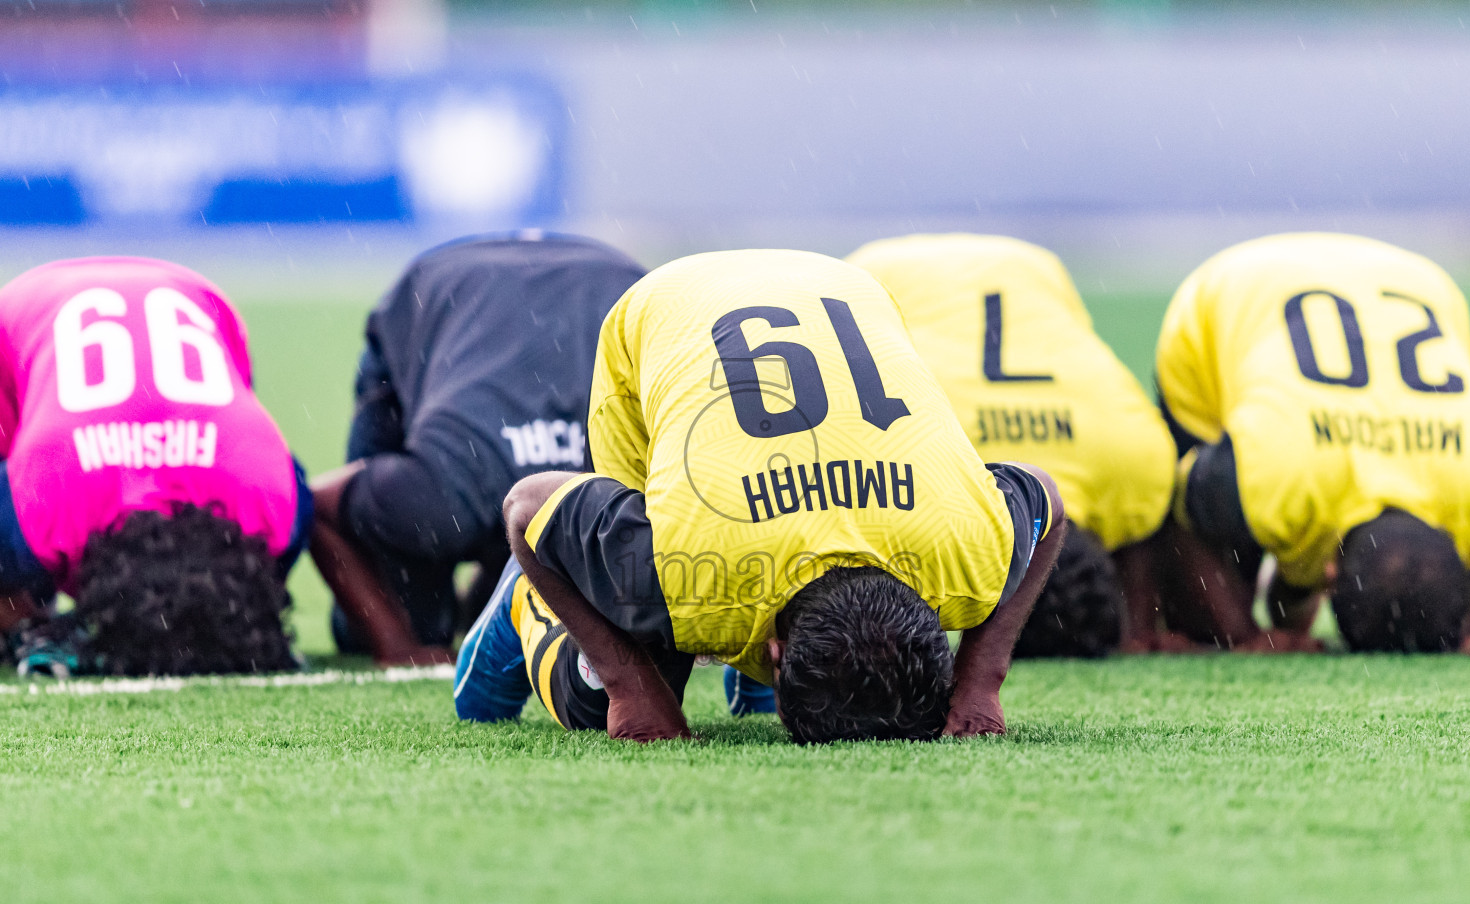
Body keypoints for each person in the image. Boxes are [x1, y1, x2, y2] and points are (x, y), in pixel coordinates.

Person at [455, 248, 1065, 742]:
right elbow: (528, 504)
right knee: (617, 669)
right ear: (775, 653)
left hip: (842, 281)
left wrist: (981, 679)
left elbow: (1047, 501)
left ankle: (742, 688)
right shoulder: (680, 571)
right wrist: (627, 686)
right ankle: (520, 608)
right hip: (662, 306)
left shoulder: (974, 550)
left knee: (680, 618)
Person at [1156, 232, 1470, 653]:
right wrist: (1240, 633)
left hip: (1416, 279)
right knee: (1204, 573)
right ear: (1330, 576)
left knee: (1230, 541)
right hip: (1229, 289)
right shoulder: (1266, 479)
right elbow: (1175, 511)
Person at [308, 232, 646, 665]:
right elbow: (322, 508)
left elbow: (316, 503)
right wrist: (395, 643)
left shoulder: (450, 497)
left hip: (460, 282)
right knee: (379, 604)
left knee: (406, 609)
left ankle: (491, 589)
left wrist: (400, 643)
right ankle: (497, 588)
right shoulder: (440, 496)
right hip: (595, 279)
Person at [847, 233, 1180, 655]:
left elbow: (1144, 538)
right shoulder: (924, 478)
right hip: (877, 274)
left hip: (1025, 268)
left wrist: (1141, 625)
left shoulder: (1138, 464)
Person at [0, 256, 310, 676]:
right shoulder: (48, 511)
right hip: (189, 292)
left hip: (193, 293)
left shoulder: (270, 509)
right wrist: (21, 617)